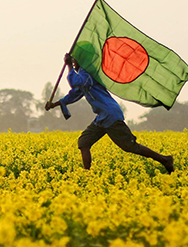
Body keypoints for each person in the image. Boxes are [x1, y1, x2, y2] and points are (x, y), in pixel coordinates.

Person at [45, 53, 174, 172]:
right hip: (102, 117)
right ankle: (86, 175)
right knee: (84, 142)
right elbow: (74, 94)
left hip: (110, 115)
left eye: (75, 60)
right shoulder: (84, 78)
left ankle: (165, 160)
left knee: (130, 146)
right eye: (72, 61)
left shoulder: (87, 73)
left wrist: (68, 66)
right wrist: (54, 105)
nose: (73, 62)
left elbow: (76, 82)